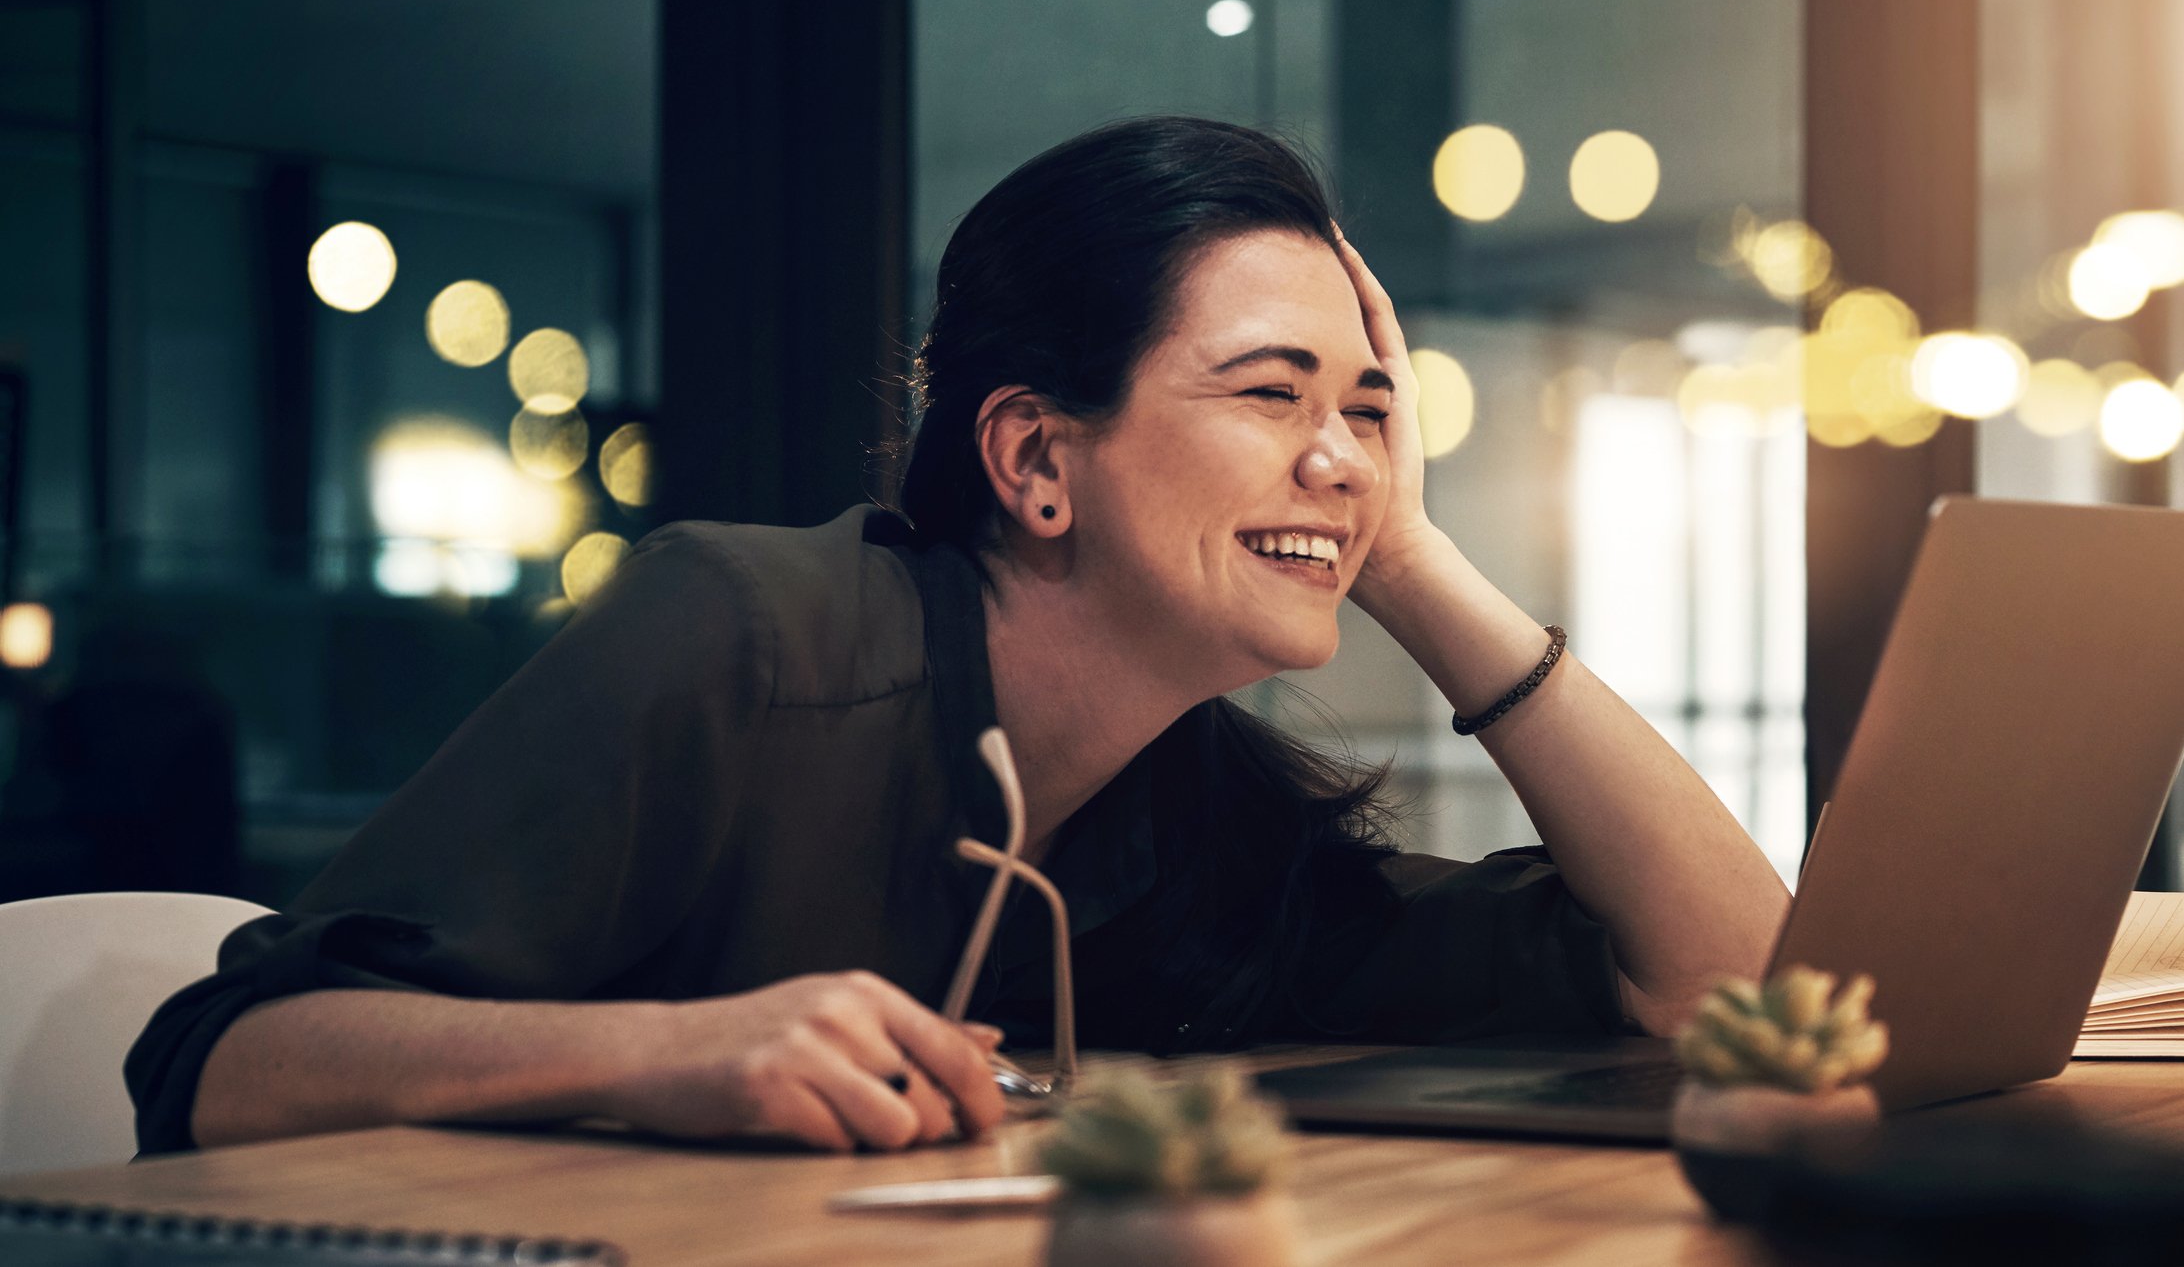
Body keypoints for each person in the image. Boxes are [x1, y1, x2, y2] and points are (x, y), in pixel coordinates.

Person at [126, 116, 1789, 1157]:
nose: (1344, 453)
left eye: (1373, 412)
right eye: (1272, 395)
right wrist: (664, 1056)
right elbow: (219, 1062)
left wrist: (1412, 557)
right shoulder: (744, 632)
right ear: (1033, 457)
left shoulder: (1194, 816)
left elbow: (1729, 980)